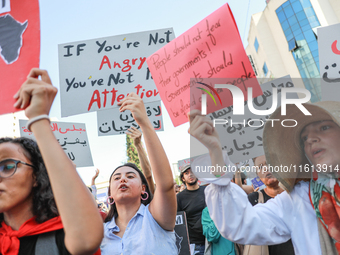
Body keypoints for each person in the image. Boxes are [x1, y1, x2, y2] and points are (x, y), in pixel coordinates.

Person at [188, 101, 340, 255]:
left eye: (324, 128)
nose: (310, 139)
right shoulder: (299, 200)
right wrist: (216, 153)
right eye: (304, 137)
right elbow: (239, 224)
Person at [0, 68, 103, 255]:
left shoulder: (61, 239)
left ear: (36, 177)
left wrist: (39, 118)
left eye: (7, 166)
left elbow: (87, 239)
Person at [100, 93, 177, 255]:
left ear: (143, 189)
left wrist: (144, 123)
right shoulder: (99, 233)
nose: (122, 179)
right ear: (110, 194)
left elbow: (165, 184)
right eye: (117, 177)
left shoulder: (156, 219)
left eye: (130, 176)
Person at [246, 155, 295, 255]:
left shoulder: (296, 193)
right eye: (260, 167)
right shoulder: (253, 199)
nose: (265, 169)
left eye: (268, 163)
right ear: (258, 176)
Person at [177, 164, 206, 255]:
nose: (190, 175)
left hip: (215, 239)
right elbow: (179, 224)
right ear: (183, 178)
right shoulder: (179, 198)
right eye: (186, 173)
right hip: (197, 245)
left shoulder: (208, 190)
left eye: (193, 172)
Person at [126, 126, 155, 195]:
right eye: (117, 178)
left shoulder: (149, 203)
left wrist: (138, 145)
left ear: (143, 187)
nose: (123, 180)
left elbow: (148, 176)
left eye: (130, 176)